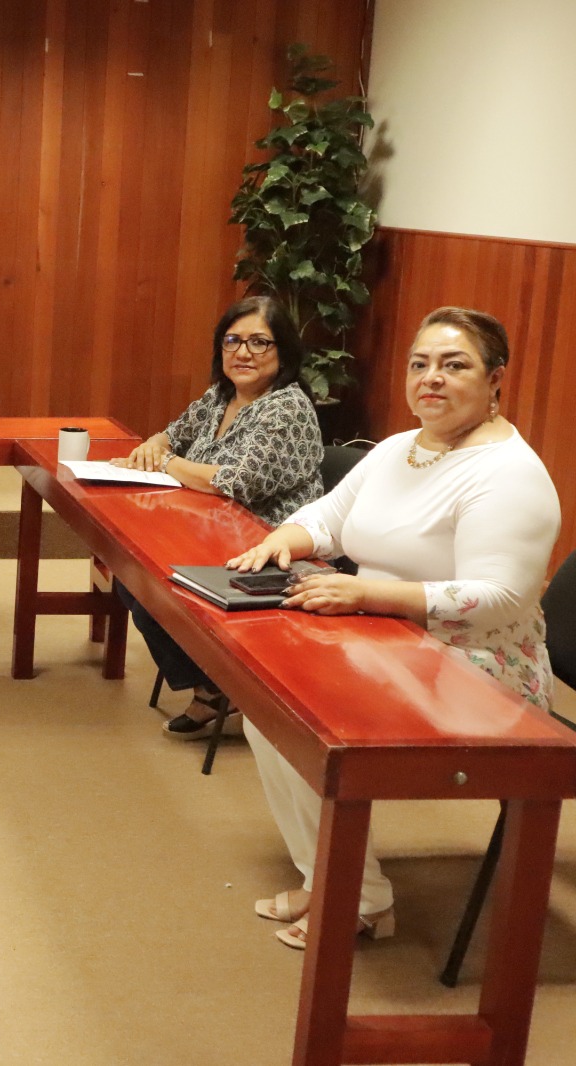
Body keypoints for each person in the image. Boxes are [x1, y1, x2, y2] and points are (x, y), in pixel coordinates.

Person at [229, 306, 560, 949]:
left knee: (304, 715)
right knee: (269, 711)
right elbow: (326, 519)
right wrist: (284, 540)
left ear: (495, 379)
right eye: (420, 364)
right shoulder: (396, 449)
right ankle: (334, 880)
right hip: (386, 641)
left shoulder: (510, 473)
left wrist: (367, 593)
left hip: (477, 672)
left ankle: (357, 898)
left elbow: (498, 598)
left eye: (454, 365)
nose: (431, 378)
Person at [111, 296, 322, 737]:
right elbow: (173, 434)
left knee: (153, 584)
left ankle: (220, 691)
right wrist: (154, 445)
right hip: (207, 530)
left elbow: (235, 482)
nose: (243, 352)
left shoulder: (287, 408)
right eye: (232, 341)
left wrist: (167, 463)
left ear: (283, 351)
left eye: (259, 342)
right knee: (131, 573)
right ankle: (214, 686)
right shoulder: (221, 396)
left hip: (263, 548)